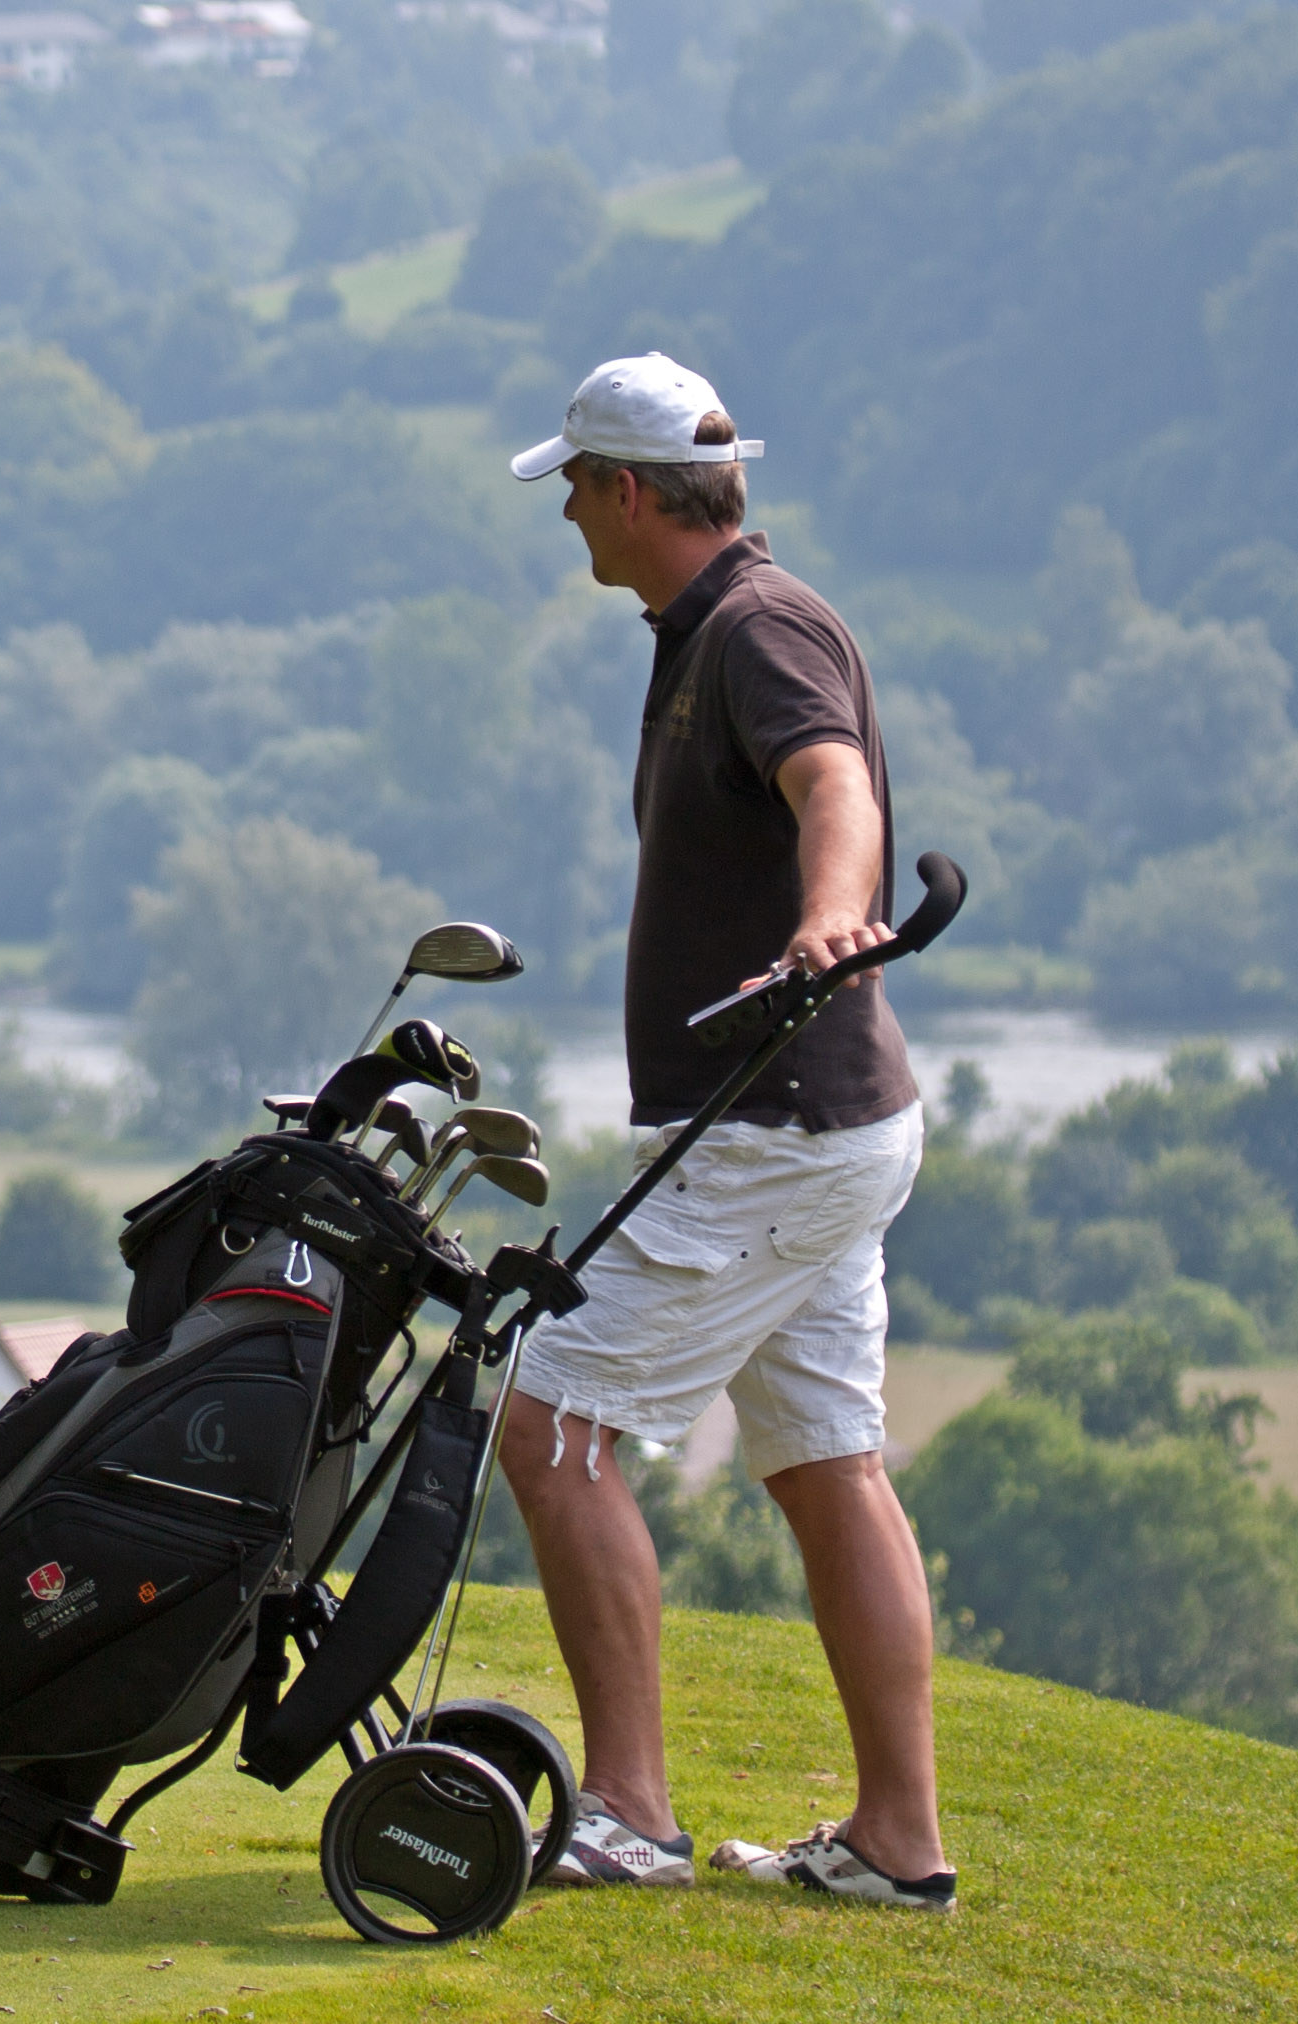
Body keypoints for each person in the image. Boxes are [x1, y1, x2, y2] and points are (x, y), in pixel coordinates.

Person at [493, 355, 956, 1912]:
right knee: (830, 1461)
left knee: (550, 1417)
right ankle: (899, 1843)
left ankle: (626, 1811)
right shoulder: (717, 624)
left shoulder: (756, 632)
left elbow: (834, 785)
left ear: (630, 492)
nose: (564, 510)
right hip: (815, 1127)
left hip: (774, 1128)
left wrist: (836, 916)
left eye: (572, 483)